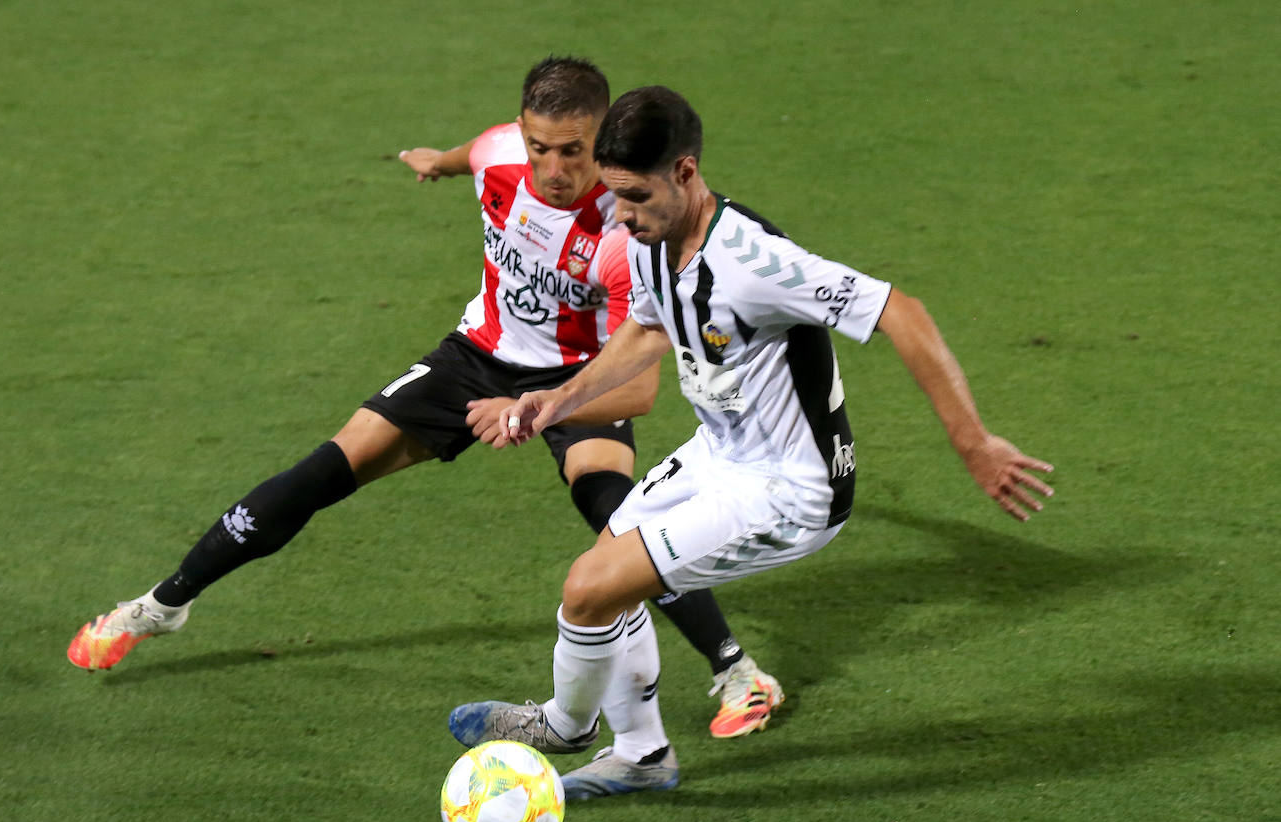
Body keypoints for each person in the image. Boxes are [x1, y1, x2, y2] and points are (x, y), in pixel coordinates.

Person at [67, 59, 785, 739]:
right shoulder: (502, 155)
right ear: (522, 132)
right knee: (326, 468)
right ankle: (164, 604)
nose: (556, 171)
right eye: (541, 149)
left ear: (603, 141)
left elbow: (638, 386)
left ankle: (737, 672)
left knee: (621, 522)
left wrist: (539, 409)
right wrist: (436, 161)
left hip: (579, 378)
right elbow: (480, 149)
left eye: (575, 152)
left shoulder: (624, 231)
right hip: (475, 356)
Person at [448, 85, 1056, 799]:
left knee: (589, 588)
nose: (622, 214)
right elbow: (648, 328)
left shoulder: (755, 260)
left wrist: (974, 442)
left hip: (789, 488)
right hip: (721, 452)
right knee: (608, 565)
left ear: (686, 172)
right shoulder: (646, 235)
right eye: (614, 195)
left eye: (636, 196)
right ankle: (642, 757)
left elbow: (902, 311)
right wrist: (558, 401)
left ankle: (567, 725)